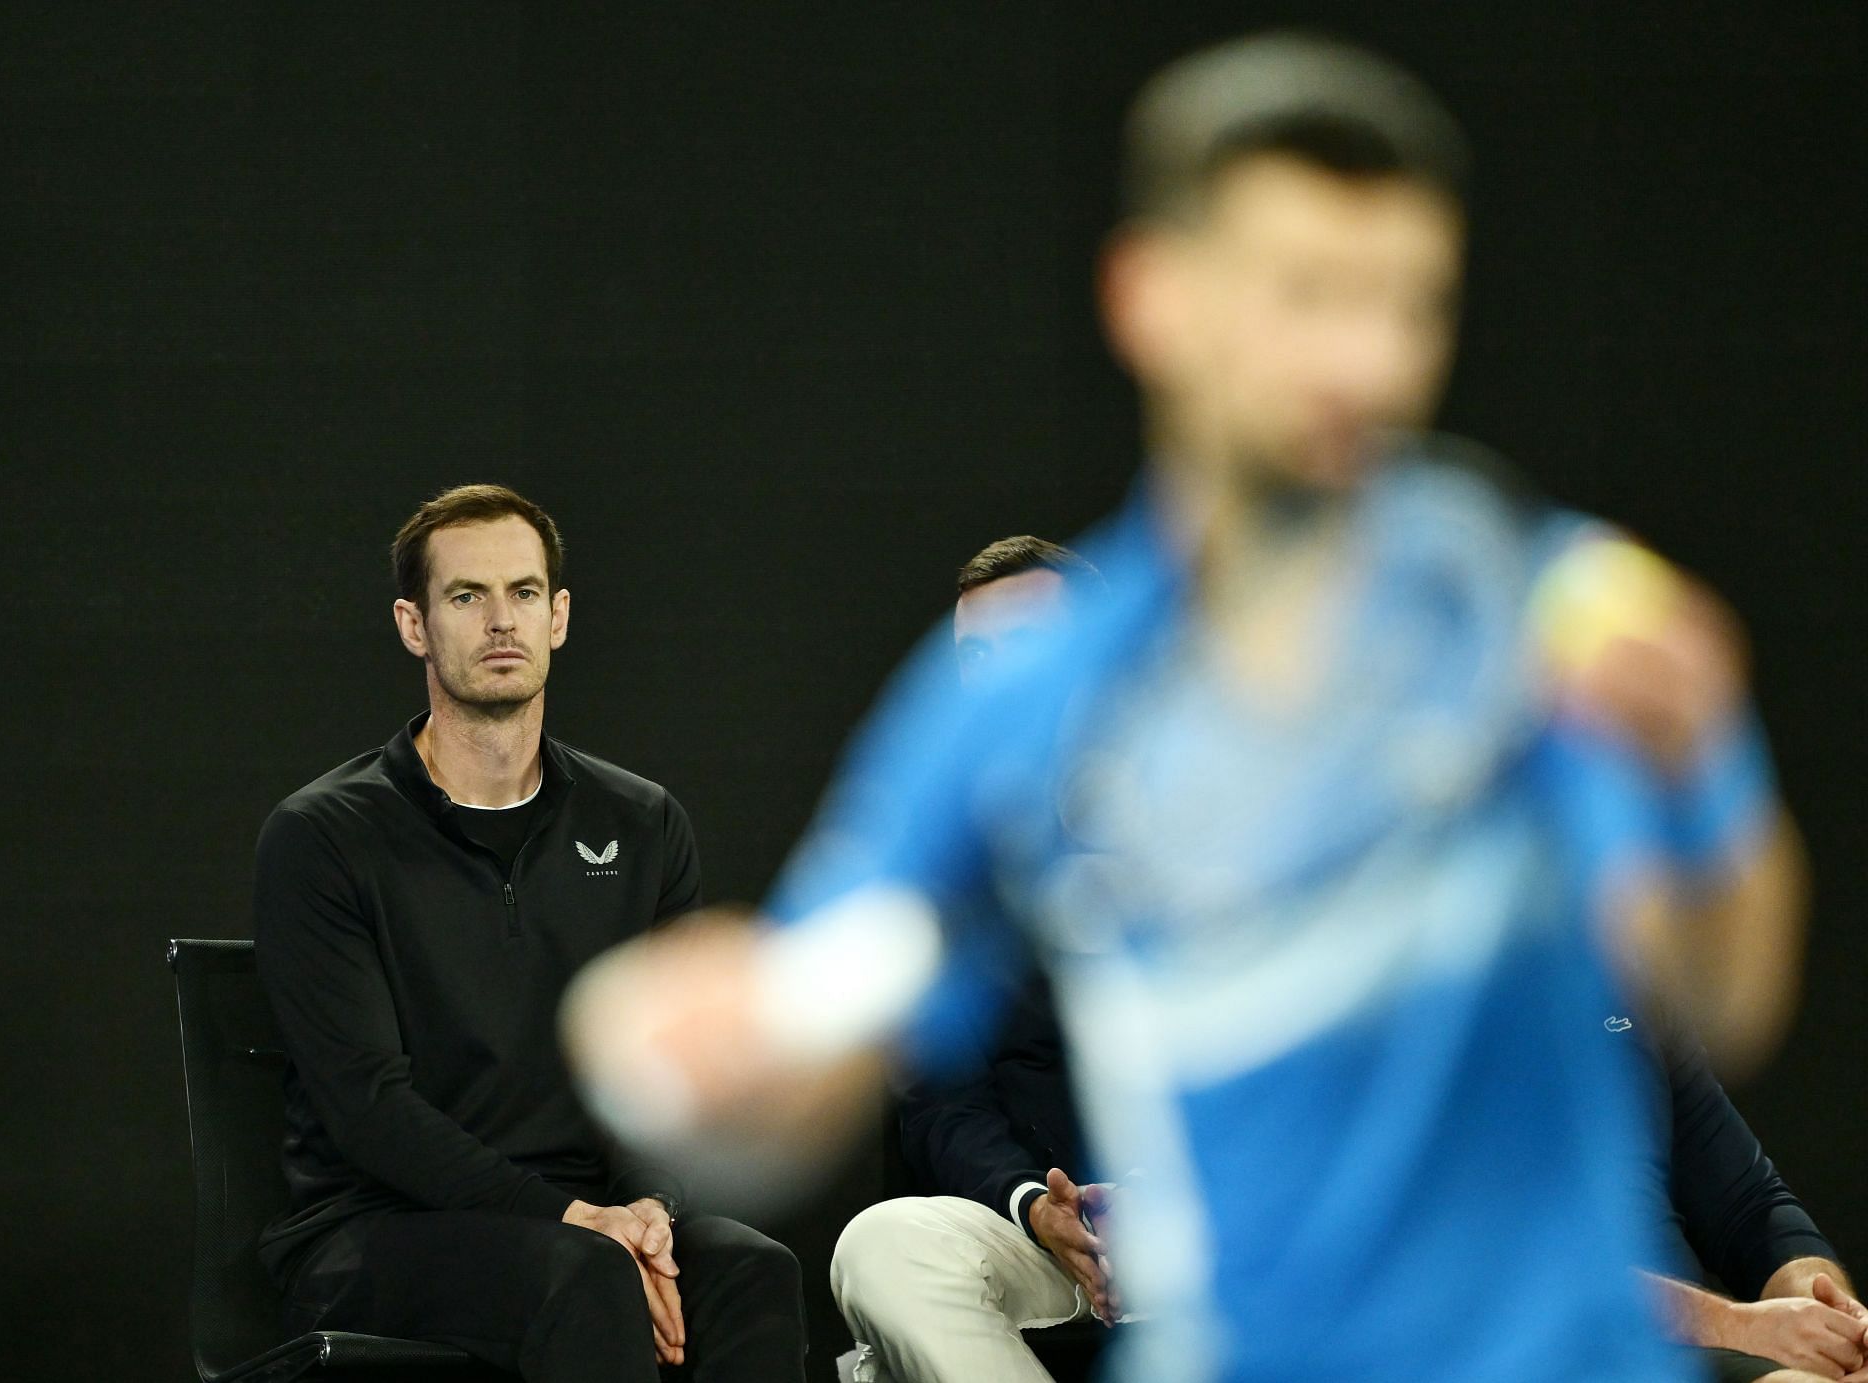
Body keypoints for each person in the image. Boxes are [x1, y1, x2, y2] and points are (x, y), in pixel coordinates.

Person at [561, 33, 1811, 1382]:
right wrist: (706, 1054)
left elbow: (1723, 988)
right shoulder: (1025, 699)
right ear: (1150, 295)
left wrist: (1696, 776)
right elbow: (813, 1057)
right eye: (1308, 294)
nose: (1368, 362)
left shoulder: (1543, 605)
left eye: (1410, 303)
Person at [253, 484, 806, 1382]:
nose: (499, 620)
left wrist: (651, 1210)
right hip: (374, 1228)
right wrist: (573, 1220)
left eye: (522, 593)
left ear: (558, 616)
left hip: (591, 1220)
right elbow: (367, 1109)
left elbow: (672, 1073)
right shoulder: (324, 834)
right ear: (413, 625)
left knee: (751, 1269)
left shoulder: (642, 821)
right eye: (466, 596)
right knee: (582, 1276)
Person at [833, 536, 1116, 1382]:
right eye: (974, 657)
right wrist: (1038, 1207)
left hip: (1226, 1222)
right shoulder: (947, 871)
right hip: (1043, 1232)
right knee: (882, 1246)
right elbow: (940, 1105)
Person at [1617, 1001, 1868, 1383]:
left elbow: (1748, 1205)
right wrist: (1738, 1329)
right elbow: (1525, 1265)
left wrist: (1840, 1331)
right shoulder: (1501, 998)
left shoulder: (1634, 999)